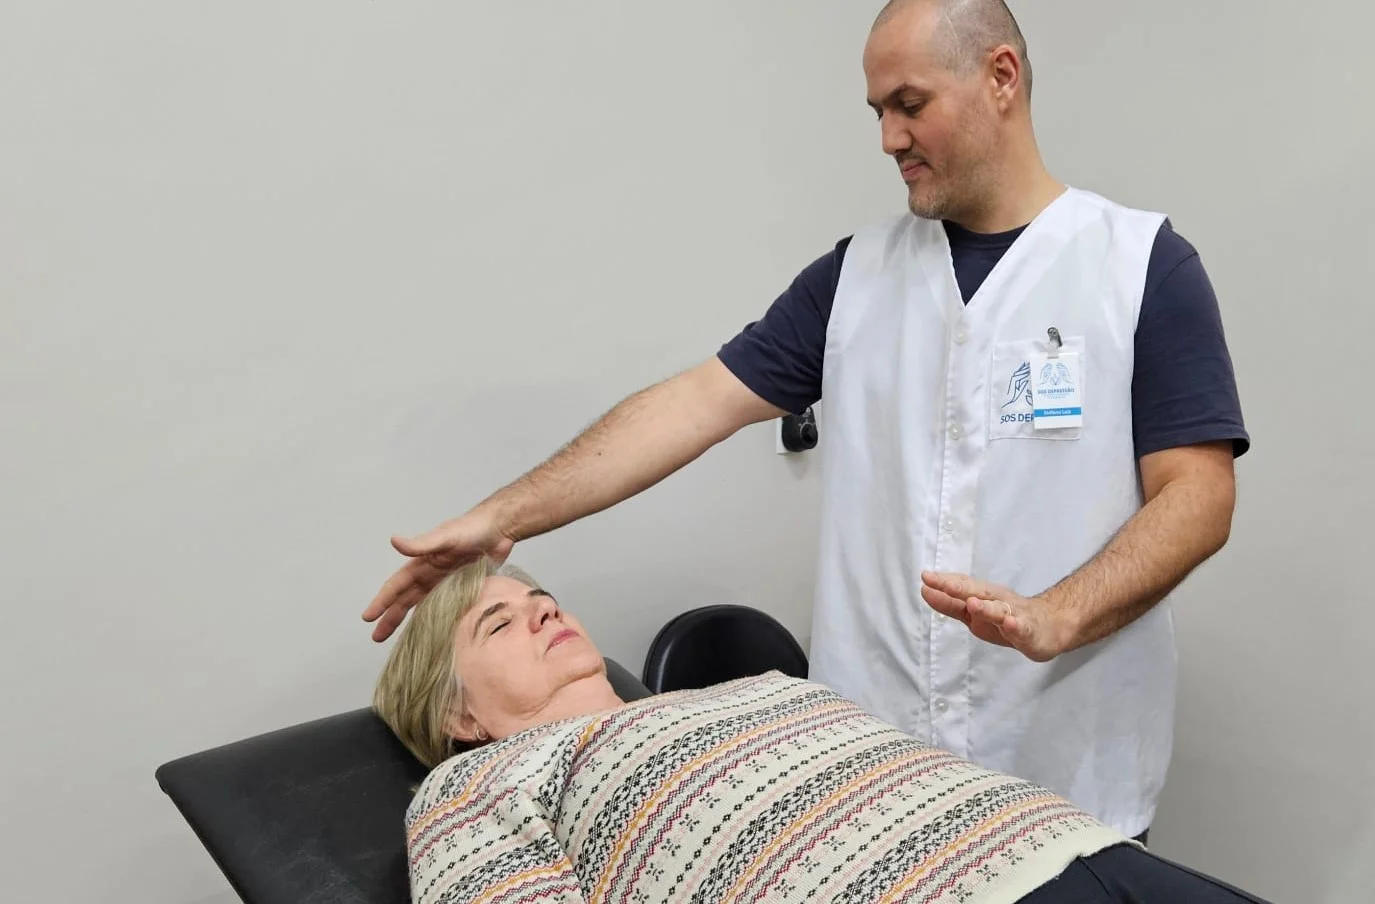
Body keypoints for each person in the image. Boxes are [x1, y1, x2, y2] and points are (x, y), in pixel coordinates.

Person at [364, 0, 1249, 841]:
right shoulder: (853, 279)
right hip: (870, 779)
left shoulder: (1137, 267)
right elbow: (691, 405)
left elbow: (1197, 496)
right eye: (877, 112)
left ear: (1001, 77)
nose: (888, 138)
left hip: (1064, 770)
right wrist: (501, 516)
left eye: (909, 105)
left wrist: (1060, 614)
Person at [373, 557, 1271, 904]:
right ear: (457, 714)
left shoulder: (749, 689)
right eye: (499, 623)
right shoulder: (470, 785)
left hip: (1064, 844)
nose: (542, 612)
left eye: (542, 599)